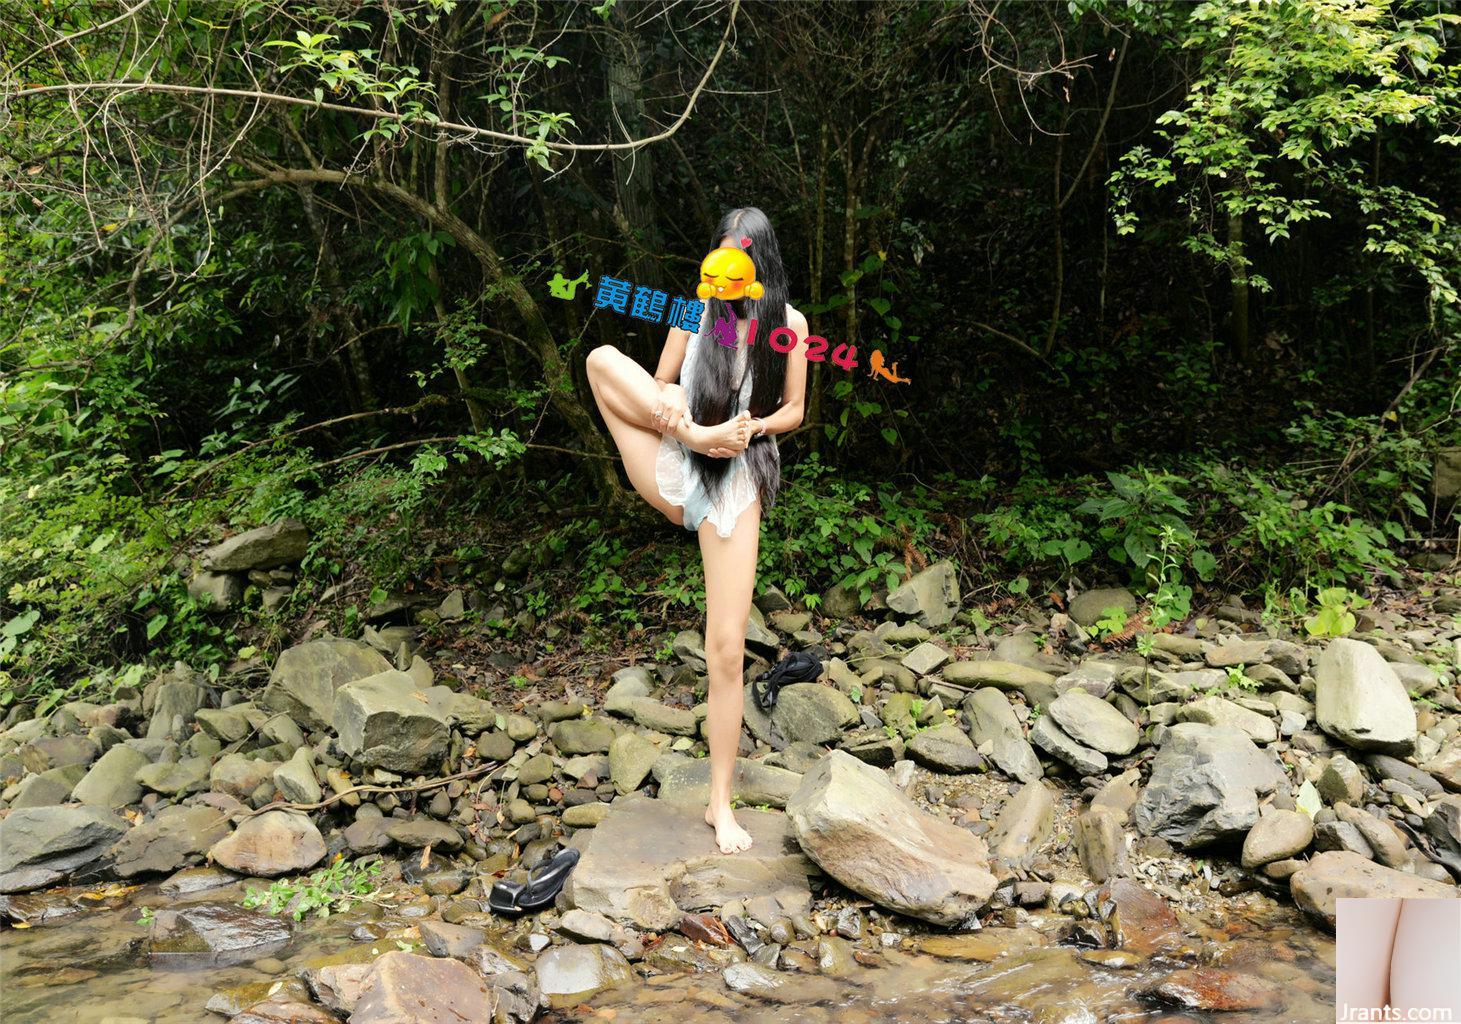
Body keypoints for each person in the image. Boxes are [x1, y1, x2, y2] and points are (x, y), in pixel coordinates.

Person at [585, 207, 809, 853]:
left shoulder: (788, 326)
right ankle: (696, 436)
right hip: (674, 462)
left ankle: (719, 804)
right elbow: (656, 384)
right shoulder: (694, 313)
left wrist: (752, 428)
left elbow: (793, 410)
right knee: (602, 358)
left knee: (726, 651)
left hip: (733, 490)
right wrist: (688, 424)